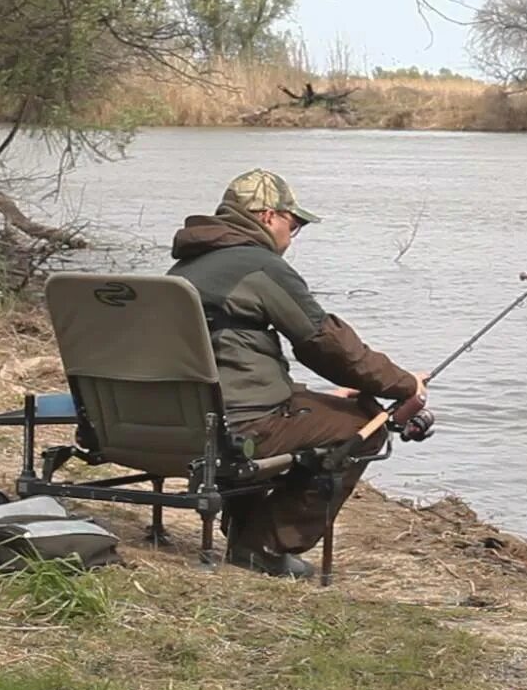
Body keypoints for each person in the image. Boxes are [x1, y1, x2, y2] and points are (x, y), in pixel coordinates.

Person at [166, 168, 428, 578]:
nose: (294, 234)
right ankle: (264, 544)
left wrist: (306, 393)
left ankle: (244, 530)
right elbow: (327, 345)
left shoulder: (184, 270)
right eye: (294, 223)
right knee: (365, 427)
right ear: (267, 216)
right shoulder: (260, 266)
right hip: (235, 426)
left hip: (170, 422)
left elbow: (227, 360)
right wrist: (404, 383)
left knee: (324, 405)